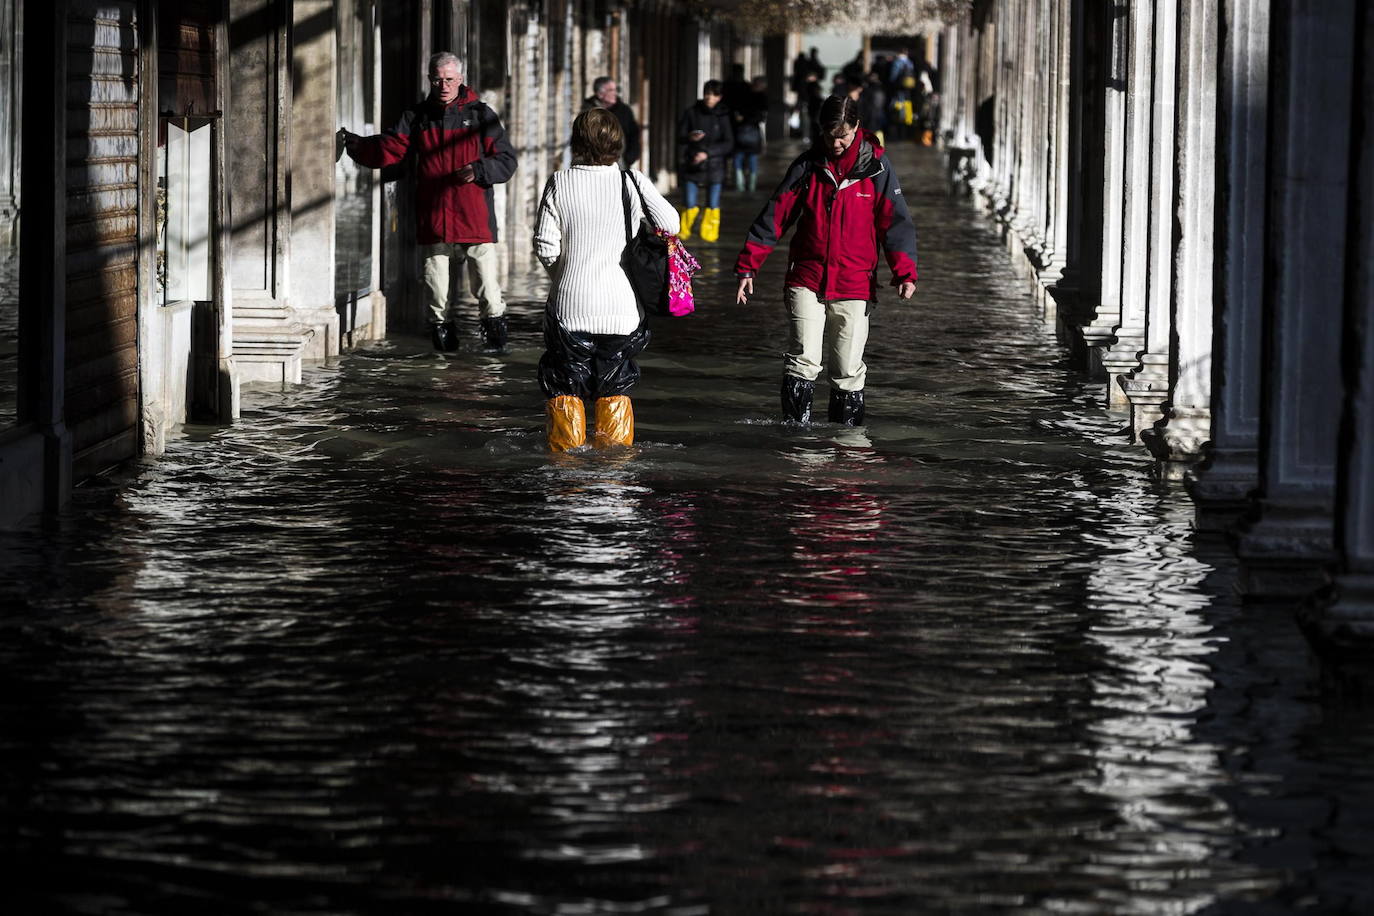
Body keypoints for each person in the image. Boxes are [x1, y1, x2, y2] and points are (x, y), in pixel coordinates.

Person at [732, 95, 918, 426]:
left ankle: (844, 448)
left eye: (843, 135)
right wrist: (748, 265)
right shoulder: (807, 165)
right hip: (807, 277)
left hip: (855, 282)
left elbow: (895, 222)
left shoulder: (877, 168)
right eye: (829, 135)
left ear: (857, 128)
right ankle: (795, 441)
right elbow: (775, 216)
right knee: (803, 359)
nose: (835, 143)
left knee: (847, 369)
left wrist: (905, 272)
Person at [341, 52, 517, 352]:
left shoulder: (481, 115)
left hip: (474, 218)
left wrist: (478, 170)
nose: (444, 85)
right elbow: (392, 148)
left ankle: (496, 348)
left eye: (449, 79)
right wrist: (358, 145)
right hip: (434, 220)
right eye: (438, 79)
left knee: (488, 290)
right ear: (430, 79)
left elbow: (506, 160)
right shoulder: (417, 117)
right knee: (436, 294)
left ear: (460, 80)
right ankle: (444, 354)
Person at [533, 108, 680, 451]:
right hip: (623, 309)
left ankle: (566, 477)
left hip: (571, 308)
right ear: (617, 141)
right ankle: (614, 478)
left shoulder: (560, 181)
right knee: (614, 387)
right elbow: (671, 225)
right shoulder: (633, 181)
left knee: (565, 387)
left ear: (577, 142)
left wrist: (565, 277)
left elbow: (544, 244)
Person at [676, 80, 733, 242]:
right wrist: (690, 137)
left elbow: (729, 143)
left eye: (714, 94)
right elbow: (680, 137)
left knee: (713, 204)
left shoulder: (723, 116)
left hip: (715, 166)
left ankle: (709, 237)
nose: (710, 97)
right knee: (689, 202)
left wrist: (707, 153)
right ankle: (683, 235)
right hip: (693, 164)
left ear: (719, 97)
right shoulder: (691, 112)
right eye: (707, 93)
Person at [581, 76, 641, 167]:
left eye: (615, 90)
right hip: (593, 165)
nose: (615, 93)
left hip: (620, 164)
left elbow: (634, 135)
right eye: (611, 90)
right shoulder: (588, 111)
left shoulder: (624, 110)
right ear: (600, 94)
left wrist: (630, 158)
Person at [731, 76, 769, 192]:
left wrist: (742, 118)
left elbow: (737, 112)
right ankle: (751, 186)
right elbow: (762, 117)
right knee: (751, 158)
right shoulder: (761, 98)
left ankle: (740, 185)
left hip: (742, 130)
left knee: (739, 158)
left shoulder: (743, 96)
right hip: (752, 131)